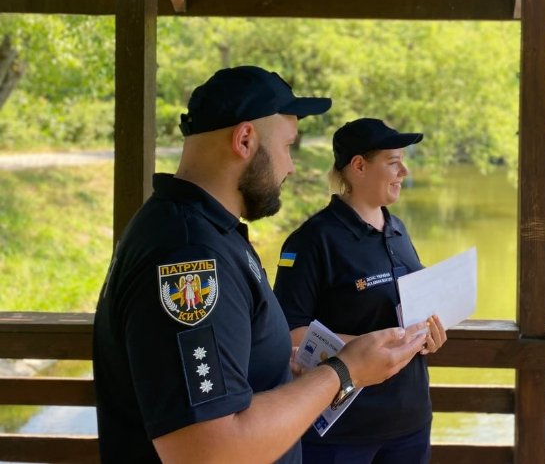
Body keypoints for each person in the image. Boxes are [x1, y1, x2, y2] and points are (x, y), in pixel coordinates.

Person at [93, 67, 427, 464]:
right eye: (287, 146)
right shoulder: (189, 255)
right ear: (245, 139)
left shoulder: (209, 232)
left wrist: (283, 369)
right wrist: (342, 371)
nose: (291, 167)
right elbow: (208, 452)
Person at [273, 117, 447, 464]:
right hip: (340, 435)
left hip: (410, 425)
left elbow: (409, 312)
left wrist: (428, 334)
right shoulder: (312, 241)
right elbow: (290, 334)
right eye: (394, 162)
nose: (404, 172)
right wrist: (371, 346)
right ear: (358, 166)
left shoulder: (398, 230)